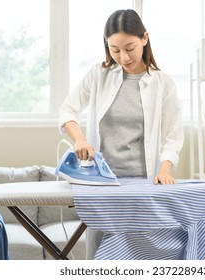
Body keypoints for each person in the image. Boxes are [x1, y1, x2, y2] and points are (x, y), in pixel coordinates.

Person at [58, 9, 184, 259]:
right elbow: (67, 110)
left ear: (144, 39)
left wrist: (165, 170)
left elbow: (173, 135)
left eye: (129, 47)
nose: (123, 57)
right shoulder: (98, 75)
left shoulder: (163, 84)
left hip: (142, 182)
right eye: (115, 50)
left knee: (140, 254)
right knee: (98, 255)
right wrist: (79, 139)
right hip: (101, 183)